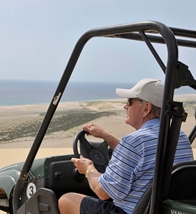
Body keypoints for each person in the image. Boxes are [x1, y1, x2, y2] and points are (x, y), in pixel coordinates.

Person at [58, 78, 194, 214]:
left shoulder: (135, 142)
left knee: (66, 200)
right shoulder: (179, 137)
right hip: (159, 209)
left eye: (129, 102)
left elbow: (103, 192)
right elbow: (138, 157)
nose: (125, 106)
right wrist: (104, 135)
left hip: (130, 211)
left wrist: (88, 169)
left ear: (146, 108)